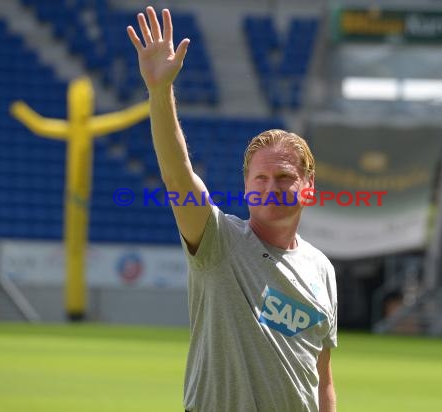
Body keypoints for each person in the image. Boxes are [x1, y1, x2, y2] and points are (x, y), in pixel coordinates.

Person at [127, 7, 338, 412]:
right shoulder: (218, 243)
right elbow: (177, 175)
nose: (270, 188)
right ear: (245, 188)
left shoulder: (322, 269)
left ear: (307, 188)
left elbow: (322, 378)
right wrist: (159, 92)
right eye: (260, 179)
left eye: (283, 178)